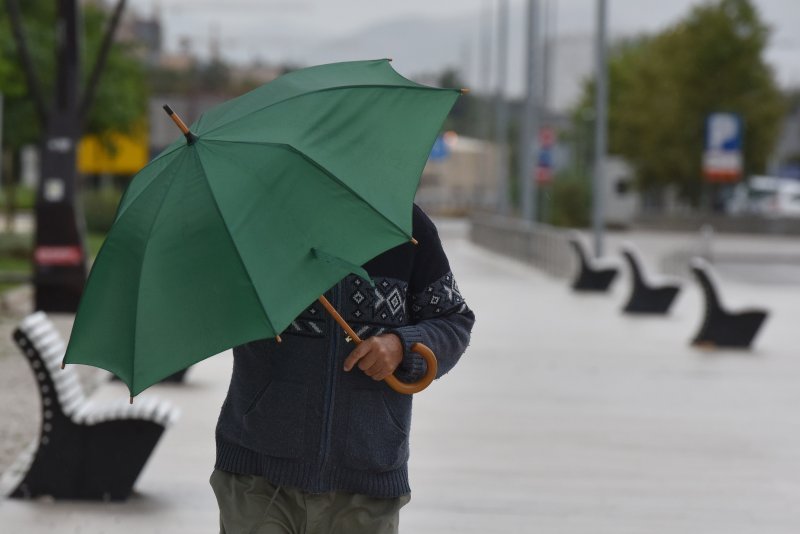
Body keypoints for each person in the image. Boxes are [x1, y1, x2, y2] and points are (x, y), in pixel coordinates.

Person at [210, 204, 475, 534]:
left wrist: (401, 345)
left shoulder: (407, 226)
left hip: (367, 487)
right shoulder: (255, 221)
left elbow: (454, 321)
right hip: (257, 476)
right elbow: (209, 302)